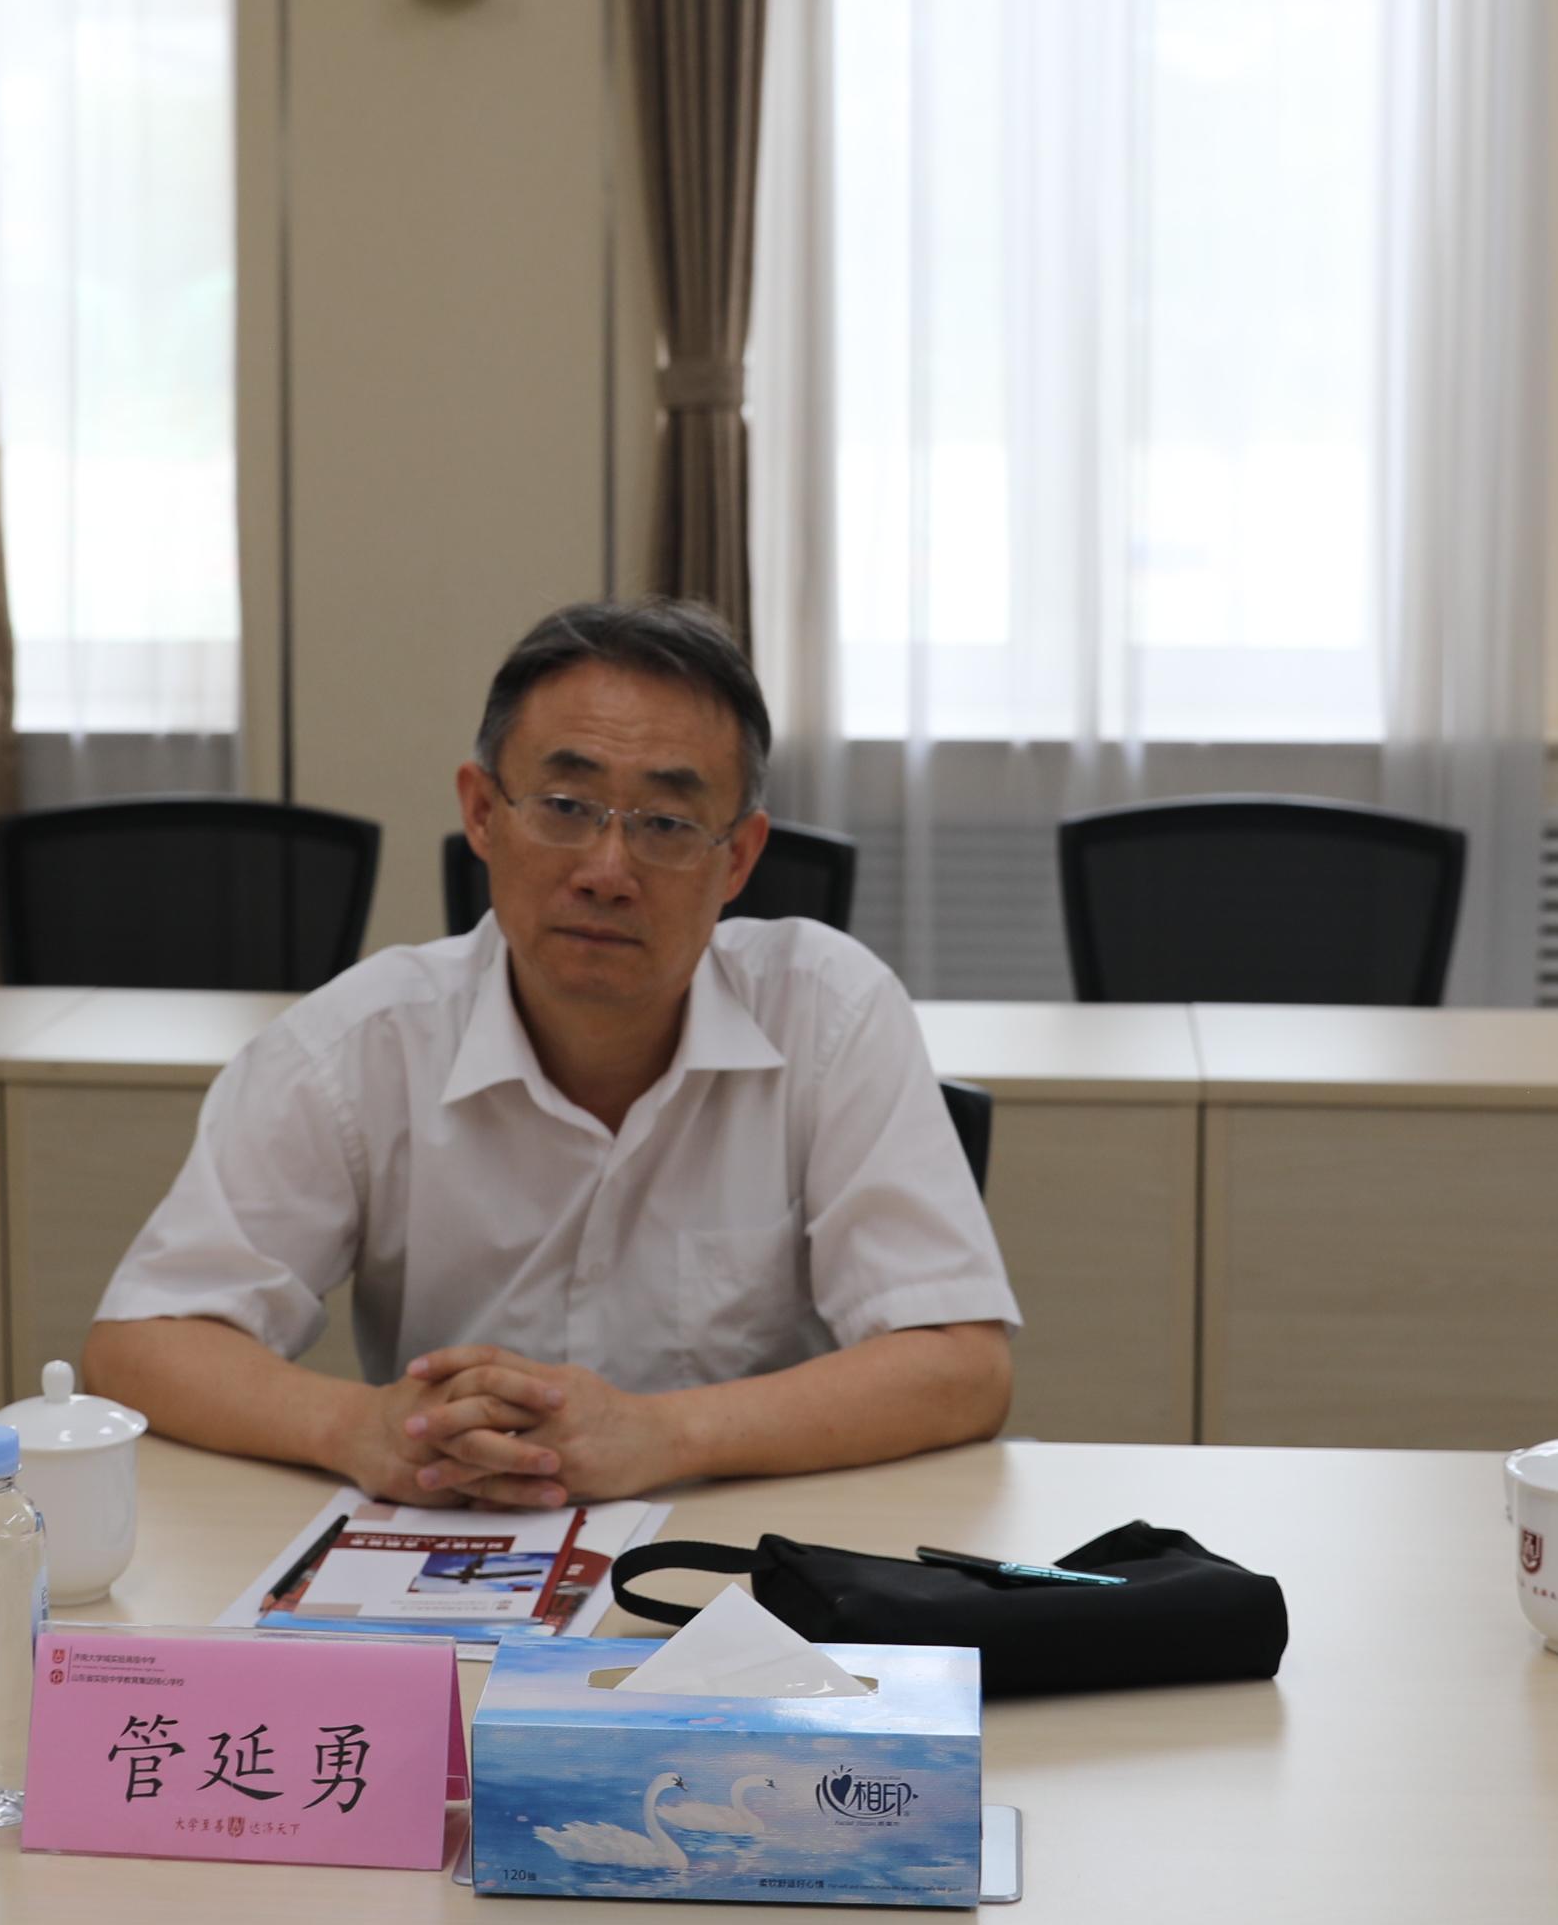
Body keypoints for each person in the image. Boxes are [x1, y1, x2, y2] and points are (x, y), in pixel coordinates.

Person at [83, 598, 1016, 1505]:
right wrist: (358, 1428)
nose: (607, 872)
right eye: (566, 806)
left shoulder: (829, 1013)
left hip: (740, 1550)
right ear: (482, 813)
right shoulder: (358, 1045)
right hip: (447, 1537)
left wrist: (663, 1436)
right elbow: (142, 1343)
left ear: (737, 859)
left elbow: (961, 1368)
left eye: (666, 824)